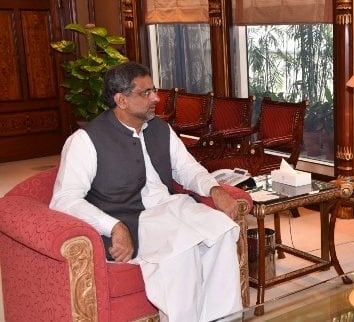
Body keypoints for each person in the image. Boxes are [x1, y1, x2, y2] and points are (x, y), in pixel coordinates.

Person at [50, 61, 242, 321]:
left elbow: (187, 169)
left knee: (222, 230)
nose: (156, 98)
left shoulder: (161, 129)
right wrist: (114, 226)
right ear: (121, 100)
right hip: (132, 220)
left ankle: (224, 318)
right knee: (182, 246)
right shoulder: (85, 140)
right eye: (146, 93)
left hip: (172, 207)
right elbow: (64, 199)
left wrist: (215, 190)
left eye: (154, 90)